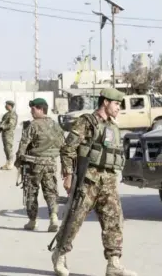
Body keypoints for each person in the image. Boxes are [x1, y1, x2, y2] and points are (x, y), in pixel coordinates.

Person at [51, 88, 137, 276]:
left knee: (114, 221)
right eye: (116, 104)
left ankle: (113, 263)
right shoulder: (86, 121)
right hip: (88, 180)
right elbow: (68, 148)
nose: (118, 108)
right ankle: (60, 254)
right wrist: (67, 174)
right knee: (74, 219)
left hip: (108, 180)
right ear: (105, 102)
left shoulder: (113, 125)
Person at [14, 98, 64, 232]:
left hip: (34, 164)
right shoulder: (55, 125)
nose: (31, 112)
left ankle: (32, 220)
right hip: (51, 164)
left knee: (31, 192)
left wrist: (18, 161)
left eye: (33, 109)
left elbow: (23, 145)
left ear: (41, 109)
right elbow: (62, 144)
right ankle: (54, 217)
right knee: (51, 192)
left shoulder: (33, 125)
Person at [0, 100, 18, 170]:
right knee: (6, 148)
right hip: (5, 133)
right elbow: (2, 122)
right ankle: (8, 162)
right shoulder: (7, 114)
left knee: (8, 148)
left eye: (6, 105)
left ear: (10, 106)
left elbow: (11, 124)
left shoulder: (13, 114)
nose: (5, 106)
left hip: (9, 134)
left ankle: (10, 163)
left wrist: (3, 127)